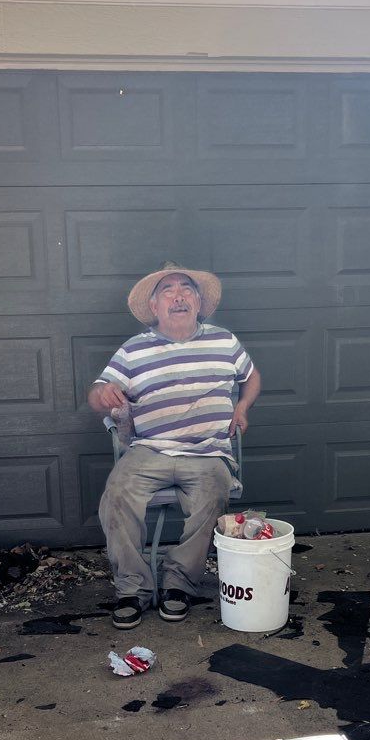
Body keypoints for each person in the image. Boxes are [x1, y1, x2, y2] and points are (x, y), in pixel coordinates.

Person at [88, 263, 261, 630]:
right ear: (155, 306)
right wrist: (103, 394)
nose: (178, 296)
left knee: (214, 495)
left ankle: (179, 584)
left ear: (198, 302)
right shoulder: (133, 350)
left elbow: (251, 376)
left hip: (207, 452)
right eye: (168, 290)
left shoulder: (224, 341)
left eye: (186, 289)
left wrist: (243, 406)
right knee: (117, 494)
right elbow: (96, 393)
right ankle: (133, 589)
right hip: (149, 451)